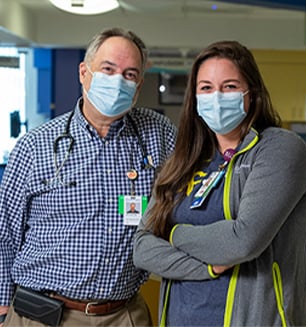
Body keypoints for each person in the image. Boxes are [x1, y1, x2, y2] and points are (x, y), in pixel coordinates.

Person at [0, 27, 177, 327]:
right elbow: (4, 232)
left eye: (130, 74)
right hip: (43, 315)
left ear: (139, 85)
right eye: (108, 69)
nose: (118, 81)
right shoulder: (36, 145)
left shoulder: (158, 134)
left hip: (124, 314)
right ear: (84, 72)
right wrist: (3, 307)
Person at [133, 40, 306, 326]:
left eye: (229, 86)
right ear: (194, 98)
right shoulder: (184, 162)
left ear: (251, 93)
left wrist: (172, 233)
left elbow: (243, 241)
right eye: (206, 88)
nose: (216, 97)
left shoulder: (280, 149)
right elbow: (142, 248)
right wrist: (210, 267)